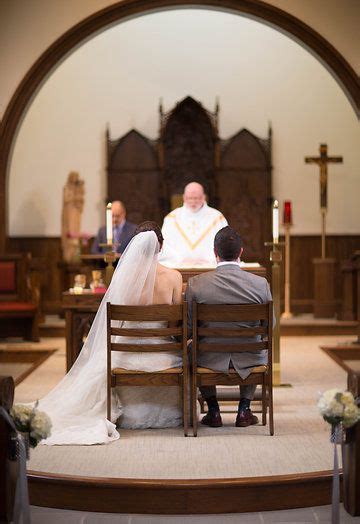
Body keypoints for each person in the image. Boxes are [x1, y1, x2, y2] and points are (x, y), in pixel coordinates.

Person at [37, 222, 183, 445]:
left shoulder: (123, 276)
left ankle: (126, 413)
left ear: (134, 246)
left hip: (125, 354)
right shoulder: (174, 277)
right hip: (161, 357)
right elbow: (176, 320)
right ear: (160, 247)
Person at [185, 226, 272, 429]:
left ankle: (213, 410)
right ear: (241, 252)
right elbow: (269, 327)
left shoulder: (196, 284)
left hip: (208, 357)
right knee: (259, 345)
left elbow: (189, 328)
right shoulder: (260, 284)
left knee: (192, 348)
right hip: (249, 357)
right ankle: (244, 409)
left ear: (215, 253)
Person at [159, 182, 228, 267]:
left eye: (196, 198)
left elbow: (225, 243)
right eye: (189, 198)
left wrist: (208, 259)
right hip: (179, 266)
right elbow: (165, 245)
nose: (193, 202)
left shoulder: (217, 217)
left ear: (203, 197)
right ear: (184, 198)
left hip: (209, 266)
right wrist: (181, 259)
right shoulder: (171, 218)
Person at [61, 171, 85, 262]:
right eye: (74, 177)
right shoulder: (67, 188)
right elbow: (67, 199)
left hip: (76, 212)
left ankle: (75, 252)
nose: (76, 179)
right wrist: (75, 196)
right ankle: (69, 254)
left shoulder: (78, 188)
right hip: (69, 211)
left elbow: (81, 200)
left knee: (76, 230)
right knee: (70, 230)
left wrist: (79, 192)